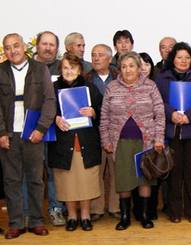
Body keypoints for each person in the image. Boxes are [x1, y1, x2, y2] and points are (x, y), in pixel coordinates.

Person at [100, 51, 165, 230]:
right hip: (120, 143)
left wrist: (159, 138)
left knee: (144, 179)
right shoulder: (112, 88)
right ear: (119, 69)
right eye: (124, 66)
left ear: (139, 68)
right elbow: (104, 117)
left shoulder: (150, 86)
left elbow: (159, 114)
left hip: (146, 141)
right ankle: (125, 216)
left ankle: (144, 216)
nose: (127, 70)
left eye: (131, 66)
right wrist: (106, 140)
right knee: (124, 180)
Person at [0, 33, 56, 239]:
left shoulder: (40, 69)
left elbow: (50, 101)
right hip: (9, 135)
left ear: (24, 47)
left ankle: (36, 221)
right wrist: (1, 132)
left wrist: (41, 128)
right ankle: (15, 223)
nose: (12, 50)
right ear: (4, 51)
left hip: (33, 133)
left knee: (35, 180)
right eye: (7, 47)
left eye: (16, 45)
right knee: (11, 180)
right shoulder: (1, 71)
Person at [49, 53, 103, 231]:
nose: (69, 71)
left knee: (86, 181)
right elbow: (45, 112)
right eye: (65, 67)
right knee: (67, 182)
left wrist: (93, 112)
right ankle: (72, 216)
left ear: (80, 69)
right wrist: (55, 118)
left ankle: (86, 216)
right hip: (63, 144)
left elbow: (102, 111)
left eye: (72, 67)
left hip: (85, 142)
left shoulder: (90, 88)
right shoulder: (53, 88)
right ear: (60, 70)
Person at [156, 42, 191, 223]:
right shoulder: (162, 78)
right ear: (172, 59)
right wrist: (172, 114)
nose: (183, 61)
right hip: (172, 131)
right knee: (174, 173)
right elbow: (158, 102)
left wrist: (189, 117)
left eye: (187, 57)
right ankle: (174, 211)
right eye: (179, 57)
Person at [33, 30, 66, 227]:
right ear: (37, 46)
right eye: (44, 44)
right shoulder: (28, 67)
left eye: (52, 45)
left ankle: (56, 209)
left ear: (57, 48)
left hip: (56, 129)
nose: (48, 48)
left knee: (54, 172)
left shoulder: (62, 67)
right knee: (33, 172)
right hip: (32, 127)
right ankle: (32, 212)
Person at [86, 44, 120, 221]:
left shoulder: (119, 77)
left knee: (116, 172)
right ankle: (96, 209)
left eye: (100, 55)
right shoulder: (85, 78)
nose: (96, 58)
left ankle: (115, 207)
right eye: (93, 55)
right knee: (96, 172)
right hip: (93, 132)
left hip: (116, 131)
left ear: (109, 58)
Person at [131, 52, 159, 222]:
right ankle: (138, 209)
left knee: (151, 174)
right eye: (140, 64)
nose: (144, 68)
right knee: (134, 174)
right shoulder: (129, 86)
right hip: (133, 136)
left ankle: (150, 209)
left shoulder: (155, 85)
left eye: (147, 64)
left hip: (154, 135)